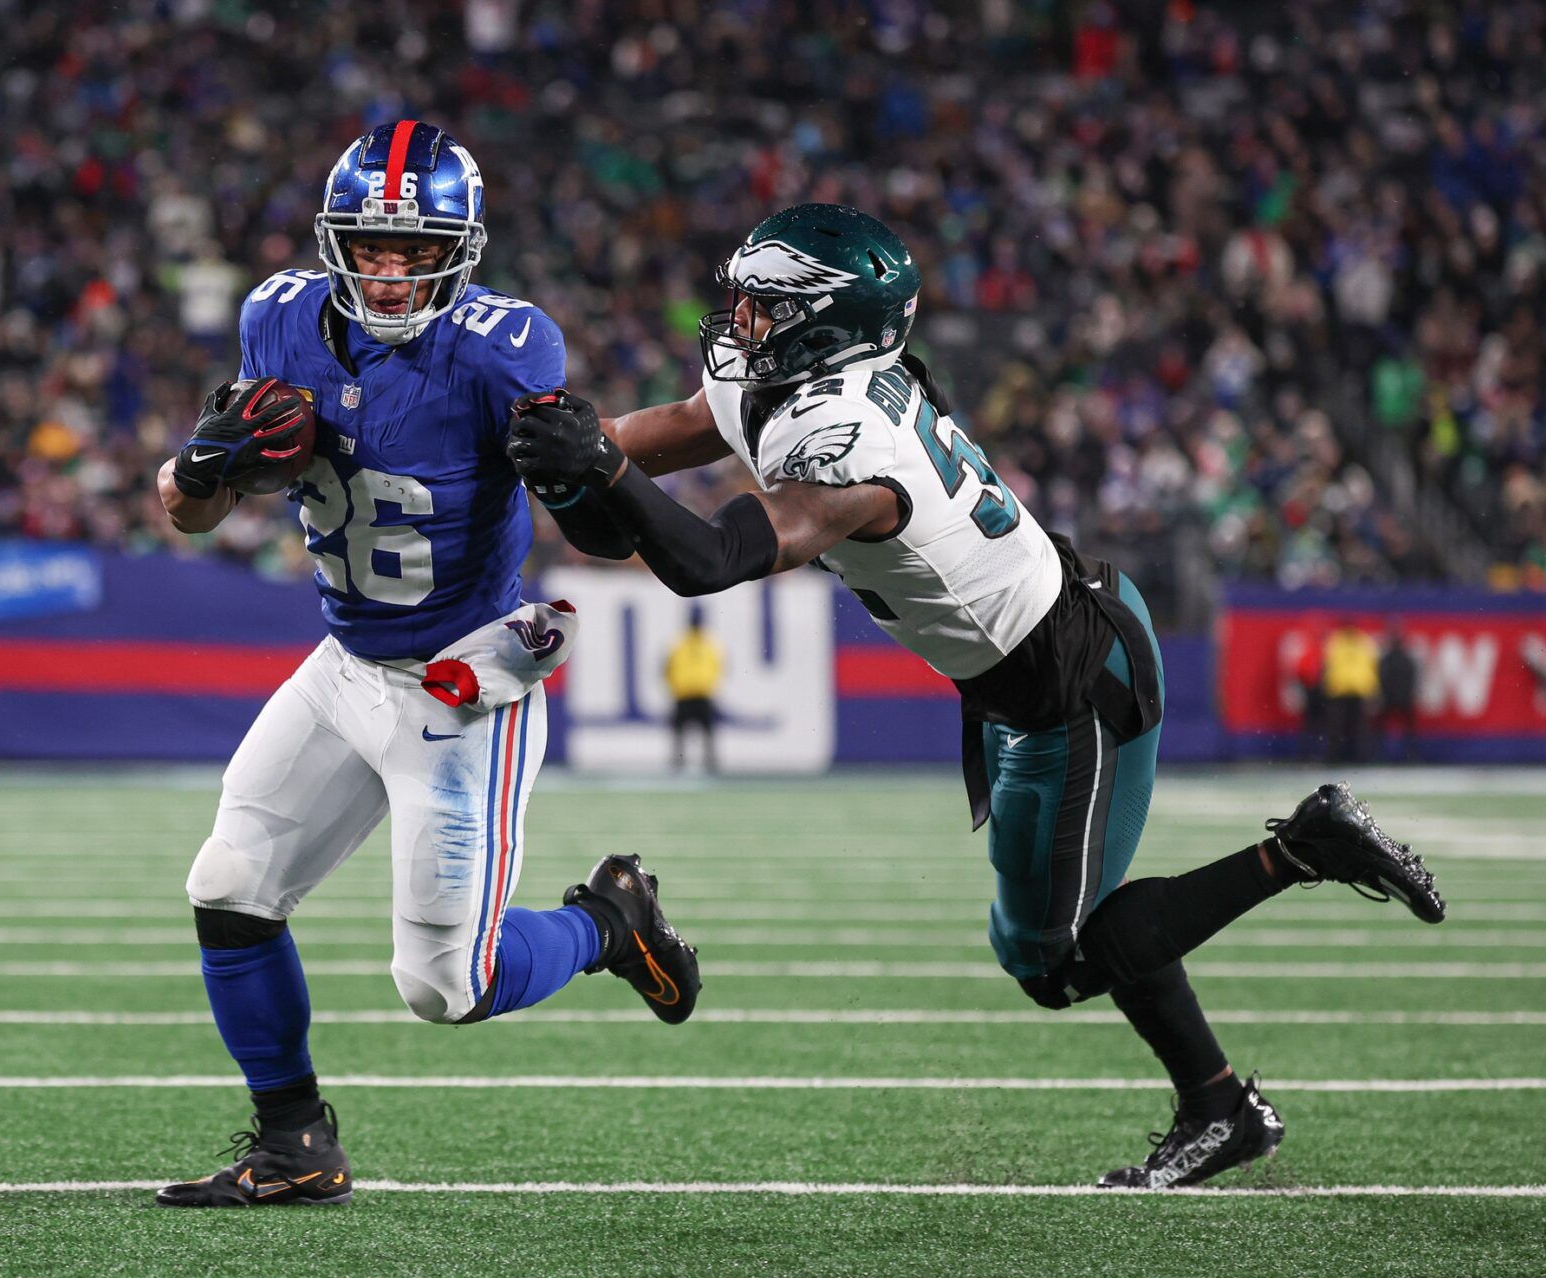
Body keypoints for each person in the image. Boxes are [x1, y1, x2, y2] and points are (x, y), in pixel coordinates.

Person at [507, 203, 1446, 1190]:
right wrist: (564, 445)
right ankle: (1216, 1102)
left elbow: (710, 558)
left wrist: (602, 464)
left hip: (1073, 681)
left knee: (1054, 960)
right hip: (1031, 657)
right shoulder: (789, 374)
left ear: (824, 327)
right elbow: (664, 435)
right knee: (1057, 922)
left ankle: (1305, 847)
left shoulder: (851, 440)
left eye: (764, 305)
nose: (736, 319)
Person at [151, 121, 701, 1208]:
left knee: (450, 988)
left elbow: (592, 532)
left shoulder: (505, 348)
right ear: (335, 240)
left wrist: (588, 476)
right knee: (227, 884)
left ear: (462, 246)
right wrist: (205, 463)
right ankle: (294, 1143)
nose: (391, 269)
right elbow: (189, 511)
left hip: (460, 683)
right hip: (346, 661)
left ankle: (608, 923)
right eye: (371, 243)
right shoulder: (276, 319)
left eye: (416, 247)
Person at [664, 605, 723, 772]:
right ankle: (683, 763)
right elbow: (718, 666)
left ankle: (703, 763)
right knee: (690, 732)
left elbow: (667, 667)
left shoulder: (680, 642)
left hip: (692, 694)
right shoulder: (707, 643)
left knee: (695, 732)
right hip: (692, 694)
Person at [1320, 618, 1380, 763]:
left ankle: (1360, 757)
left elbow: (1371, 667)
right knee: (1335, 727)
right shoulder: (1335, 642)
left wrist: (1372, 689)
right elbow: (1327, 665)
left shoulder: (1362, 642)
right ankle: (1333, 756)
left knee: (1359, 728)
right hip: (1339, 690)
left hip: (1358, 690)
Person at [1375, 622, 1419, 762]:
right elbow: (1412, 679)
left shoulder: (1386, 660)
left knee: (1381, 727)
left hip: (1389, 698)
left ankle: (1379, 755)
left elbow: (1381, 679)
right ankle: (1411, 755)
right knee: (1409, 729)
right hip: (1403, 698)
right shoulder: (1407, 660)